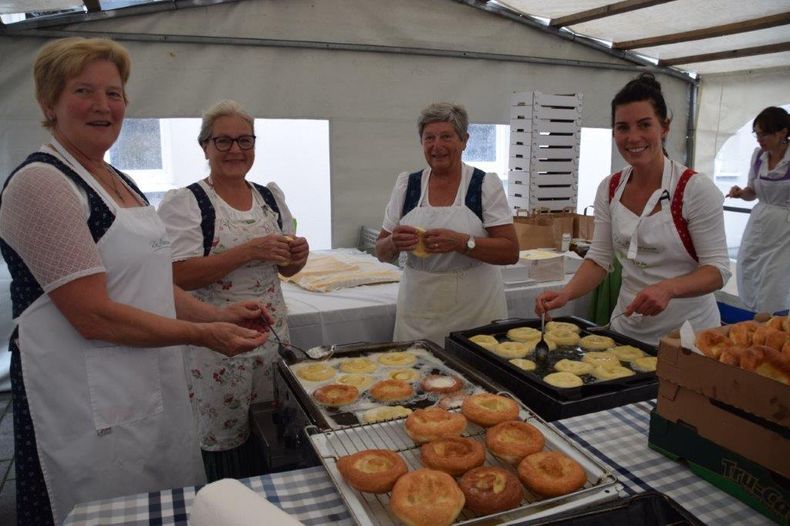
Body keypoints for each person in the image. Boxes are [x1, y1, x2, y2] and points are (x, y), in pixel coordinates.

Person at [0, 38, 271, 525]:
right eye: (84, 91)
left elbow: (148, 283)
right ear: (48, 103)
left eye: (115, 93)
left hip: (147, 383)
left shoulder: (117, 178)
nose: (103, 106)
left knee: (162, 503)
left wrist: (218, 314)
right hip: (82, 399)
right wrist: (205, 334)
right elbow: (92, 313)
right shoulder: (41, 184)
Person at [157, 99, 309, 481]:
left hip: (271, 335)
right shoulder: (187, 203)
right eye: (223, 142)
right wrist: (249, 251)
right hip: (215, 343)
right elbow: (177, 276)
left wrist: (298, 255)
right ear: (204, 146)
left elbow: (287, 270)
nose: (236, 150)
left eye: (245, 141)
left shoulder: (270, 197)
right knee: (226, 437)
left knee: (273, 429)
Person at [536, 73, 731, 346]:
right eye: (622, 127)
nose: (633, 137)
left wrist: (668, 288)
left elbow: (717, 270)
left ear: (664, 127)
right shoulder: (611, 187)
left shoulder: (693, 190)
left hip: (688, 336)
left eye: (644, 125)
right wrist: (566, 294)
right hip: (626, 330)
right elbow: (599, 259)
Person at [375, 102, 518, 344]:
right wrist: (394, 242)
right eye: (429, 138)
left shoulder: (483, 185)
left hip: (475, 315)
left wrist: (462, 242)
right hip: (418, 314)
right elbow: (380, 251)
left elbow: (510, 251)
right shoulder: (406, 185)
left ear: (464, 141)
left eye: (446, 137)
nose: (437, 146)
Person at [727, 106, 790, 314]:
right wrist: (740, 193)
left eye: (764, 133)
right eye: (757, 133)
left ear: (782, 132)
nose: (759, 139)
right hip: (760, 222)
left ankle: (776, 323)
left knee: (775, 278)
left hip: (784, 227)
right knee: (748, 268)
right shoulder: (758, 158)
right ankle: (755, 320)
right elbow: (752, 193)